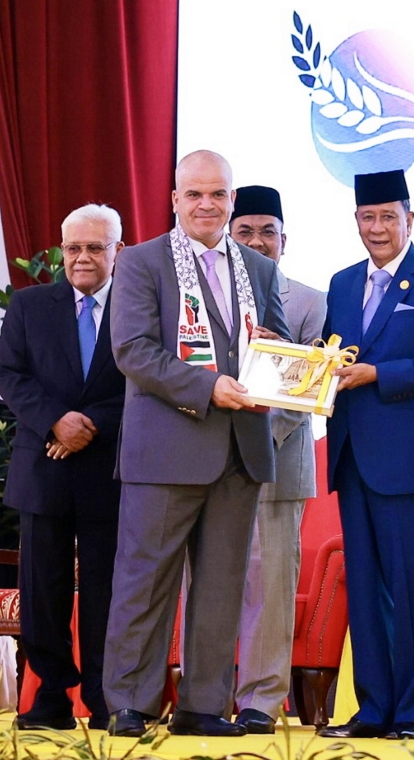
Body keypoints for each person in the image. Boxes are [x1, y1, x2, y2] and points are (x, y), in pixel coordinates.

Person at [102, 150, 289, 738]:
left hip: (240, 451)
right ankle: (131, 702)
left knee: (222, 587)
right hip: (165, 451)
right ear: (175, 201)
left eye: (218, 194)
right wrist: (210, 387)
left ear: (232, 200)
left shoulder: (258, 269)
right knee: (145, 581)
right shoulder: (140, 263)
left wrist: (280, 360)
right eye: (194, 195)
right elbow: (132, 351)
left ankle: (203, 705)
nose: (207, 205)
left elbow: (277, 345)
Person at [318, 169, 414, 740]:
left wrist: (378, 373)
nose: (378, 228)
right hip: (355, 459)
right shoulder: (339, 284)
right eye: (367, 217)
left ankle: (410, 713)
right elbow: (331, 354)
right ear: (355, 221)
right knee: (366, 592)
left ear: (411, 219)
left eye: (388, 217)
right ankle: (372, 708)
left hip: (413, 463)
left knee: (413, 594)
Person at [0, 203, 126, 731]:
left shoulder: (140, 307)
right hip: (43, 468)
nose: (83, 259)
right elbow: (10, 373)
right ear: (61, 252)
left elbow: (148, 381)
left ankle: (101, 697)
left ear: (119, 250)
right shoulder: (29, 306)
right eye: (73, 248)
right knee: (43, 590)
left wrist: (85, 425)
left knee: (105, 592)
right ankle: (49, 697)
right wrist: (56, 422)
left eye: (96, 248)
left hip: (110, 469)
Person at [228, 186, 327, 734]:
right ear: (228, 236)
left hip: (275, 464)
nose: (257, 241)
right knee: (212, 587)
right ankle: (207, 697)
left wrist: (251, 444)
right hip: (212, 470)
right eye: (245, 231)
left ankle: (262, 703)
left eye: (268, 231)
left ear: (284, 241)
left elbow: (305, 396)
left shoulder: (311, 302)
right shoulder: (207, 298)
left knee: (269, 591)